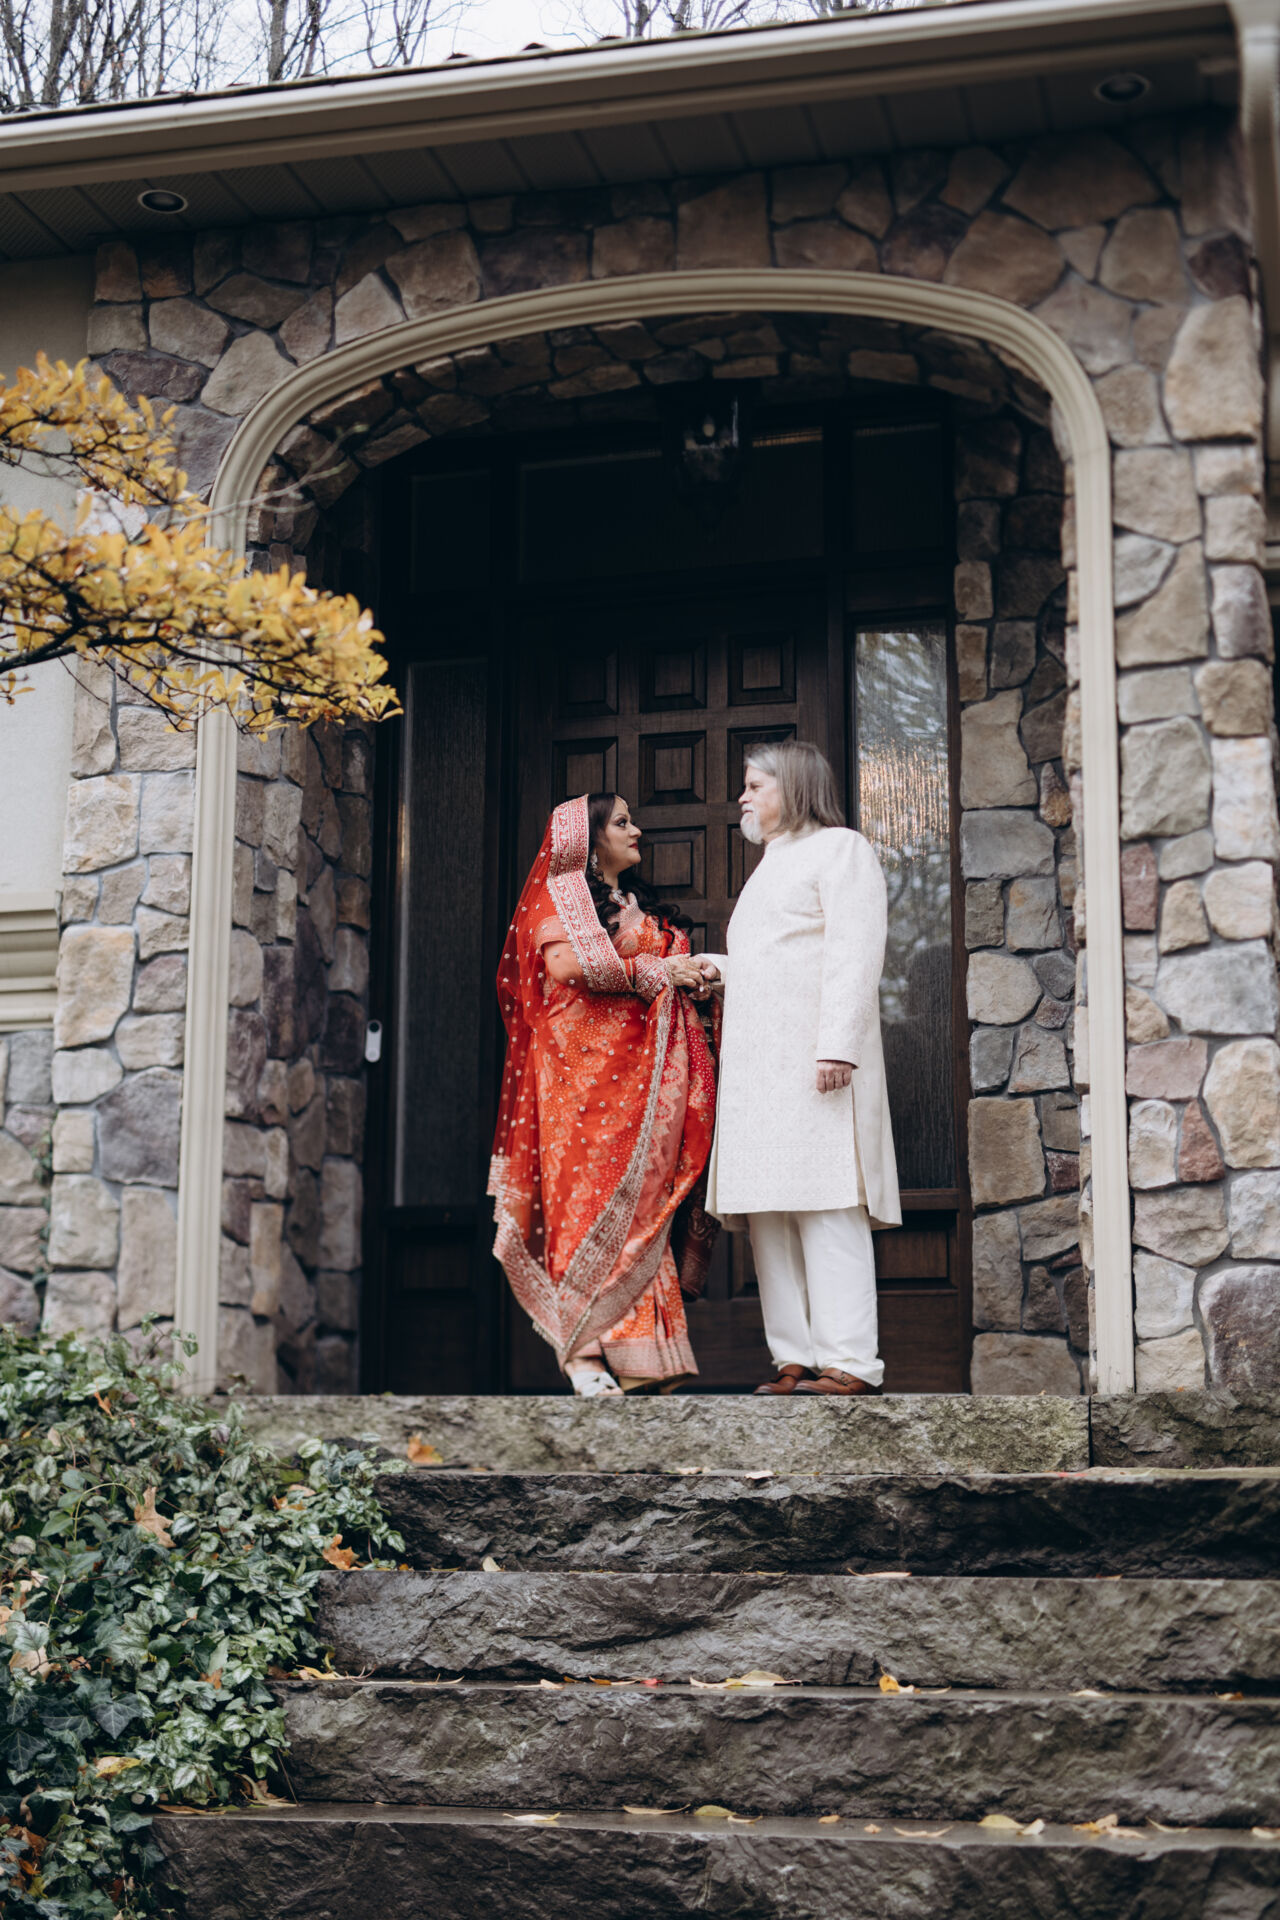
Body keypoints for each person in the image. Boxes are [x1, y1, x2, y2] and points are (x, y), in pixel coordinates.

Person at [489, 792, 718, 1397]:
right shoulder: (559, 897)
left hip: (645, 1078)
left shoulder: (632, 905)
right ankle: (584, 1356)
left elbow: (658, 973)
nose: (636, 830)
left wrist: (692, 978)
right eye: (621, 822)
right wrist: (659, 972)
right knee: (588, 1204)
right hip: (583, 1080)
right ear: (588, 842)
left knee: (644, 1208)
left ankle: (645, 1357)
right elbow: (567, 968)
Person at [697, 742, 901, 1397]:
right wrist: (715, 969)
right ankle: (796, 1356)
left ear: (795, 787)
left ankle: (851, 1361)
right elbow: (772, 964)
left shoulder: (841, 849)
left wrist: (838, 1045)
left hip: (816, 1065)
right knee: (769, 1212)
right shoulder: (769, 866)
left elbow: (855, 952)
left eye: (756, 785)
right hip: (758, 1073)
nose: (743, 797)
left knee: (826, 1204)